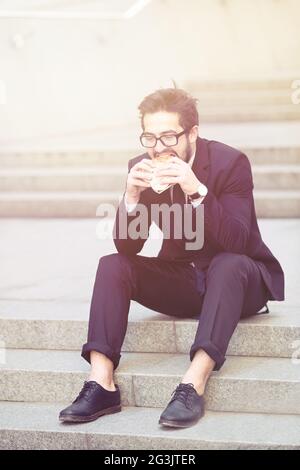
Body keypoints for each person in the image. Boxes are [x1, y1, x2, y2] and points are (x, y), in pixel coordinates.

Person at [59, 88, 284, 428]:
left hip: (242, 281)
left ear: (192, 132)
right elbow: (128, 249)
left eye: (168, 137)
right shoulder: (141, 166)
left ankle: (192, 385)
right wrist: (131, 197)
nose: (158, 147)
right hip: (186, 278)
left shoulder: (230, 163)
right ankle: (101, 382)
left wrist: (197, 190)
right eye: (150, 137)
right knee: (112, 265)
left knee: (228, 263)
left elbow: (238, 240)